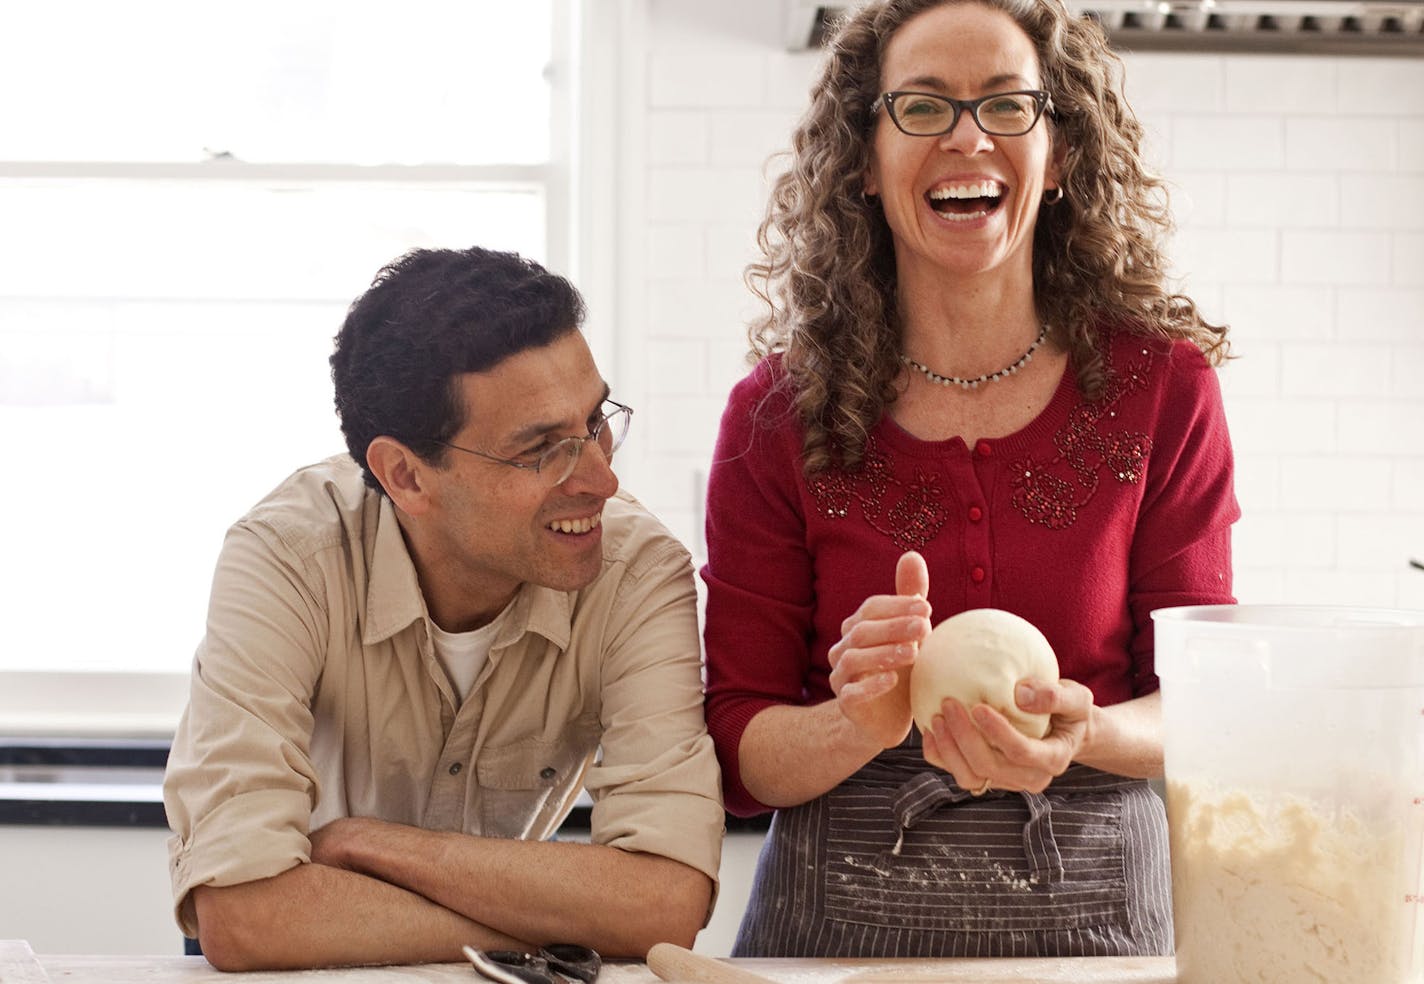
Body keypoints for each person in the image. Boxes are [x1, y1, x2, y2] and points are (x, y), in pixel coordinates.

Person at [701, 0, 1238, 959]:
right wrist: (855, 723)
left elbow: (1200, 706)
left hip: (1101, 937)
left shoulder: (1164, 390)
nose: (967, 136)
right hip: (834, 944)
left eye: (1006, 105)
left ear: (1061, 151)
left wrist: (1081, 732)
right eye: (922, 107)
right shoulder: (776, 414)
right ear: (861, 162)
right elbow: (740, 748)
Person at [163, 246, 724, 971]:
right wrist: (566, 926)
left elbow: (663, 905)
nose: (602, 478)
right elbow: (244, 916)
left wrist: (364, 844)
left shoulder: (638, 571)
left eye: (595, 422)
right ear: (405, 475)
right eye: (541, 450)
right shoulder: (285, 556)